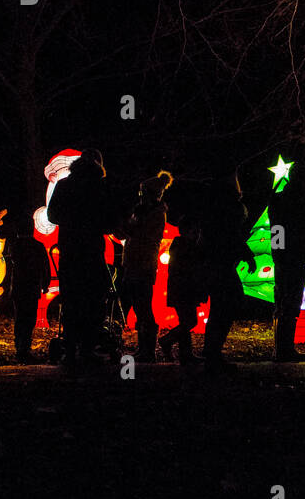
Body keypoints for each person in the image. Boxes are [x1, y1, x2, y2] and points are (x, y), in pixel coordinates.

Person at [46, 149, 114, 365]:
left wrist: (71, 222)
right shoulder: (99, 188)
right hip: (92, 251)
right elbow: (108, 220)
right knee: (94, 298)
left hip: (70, 250)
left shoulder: (65, 185)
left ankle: (71, 347)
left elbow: (52, 215)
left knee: (72, 299)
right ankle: (88, 347)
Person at [199, 175, 257, 374]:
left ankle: (212, 351)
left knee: (221, 308)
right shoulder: (227, 213)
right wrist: (247, 255)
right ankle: (213, 353)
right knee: (226, 306)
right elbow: (233, 236)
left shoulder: (213, 213)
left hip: (217, 266)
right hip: (222, 267)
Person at [268, 164, 305, 362]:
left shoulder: (278, 200)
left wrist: (278, 253)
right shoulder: (298, 203)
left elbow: (277, 230)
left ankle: (281, 348)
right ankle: (284, 350)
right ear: (302, 179)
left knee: (282, 303)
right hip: (294, 259)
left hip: (284, 258)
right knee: (290, 304)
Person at [119, 171, 173, 362]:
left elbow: (139, 235)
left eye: (143, 193)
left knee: (143, 308)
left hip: (142, 265)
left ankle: (148, 349)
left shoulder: (154, 215)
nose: (140, 196)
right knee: (140, 307)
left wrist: (130, 225)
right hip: (136, 263)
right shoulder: (147, 213)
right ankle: (144, 348)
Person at [161, 216, 213, 365]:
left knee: (186, 321)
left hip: (182, 291)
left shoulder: (182, 246)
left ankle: (186, 354)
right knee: (190, 321)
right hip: (183, 291)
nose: (196, 233)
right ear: (186, 231)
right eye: (194, 230)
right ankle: (167, 340)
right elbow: (189, 271)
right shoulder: (184, 247)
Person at [6, 219, 50, 364]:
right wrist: (45, 283)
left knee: (20, 318)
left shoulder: (14, 245)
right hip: (32, 287)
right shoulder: (37, 246)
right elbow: (45, 266)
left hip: (19, 287)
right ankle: (24, 348)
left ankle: (20, 348)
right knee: (29, 318)